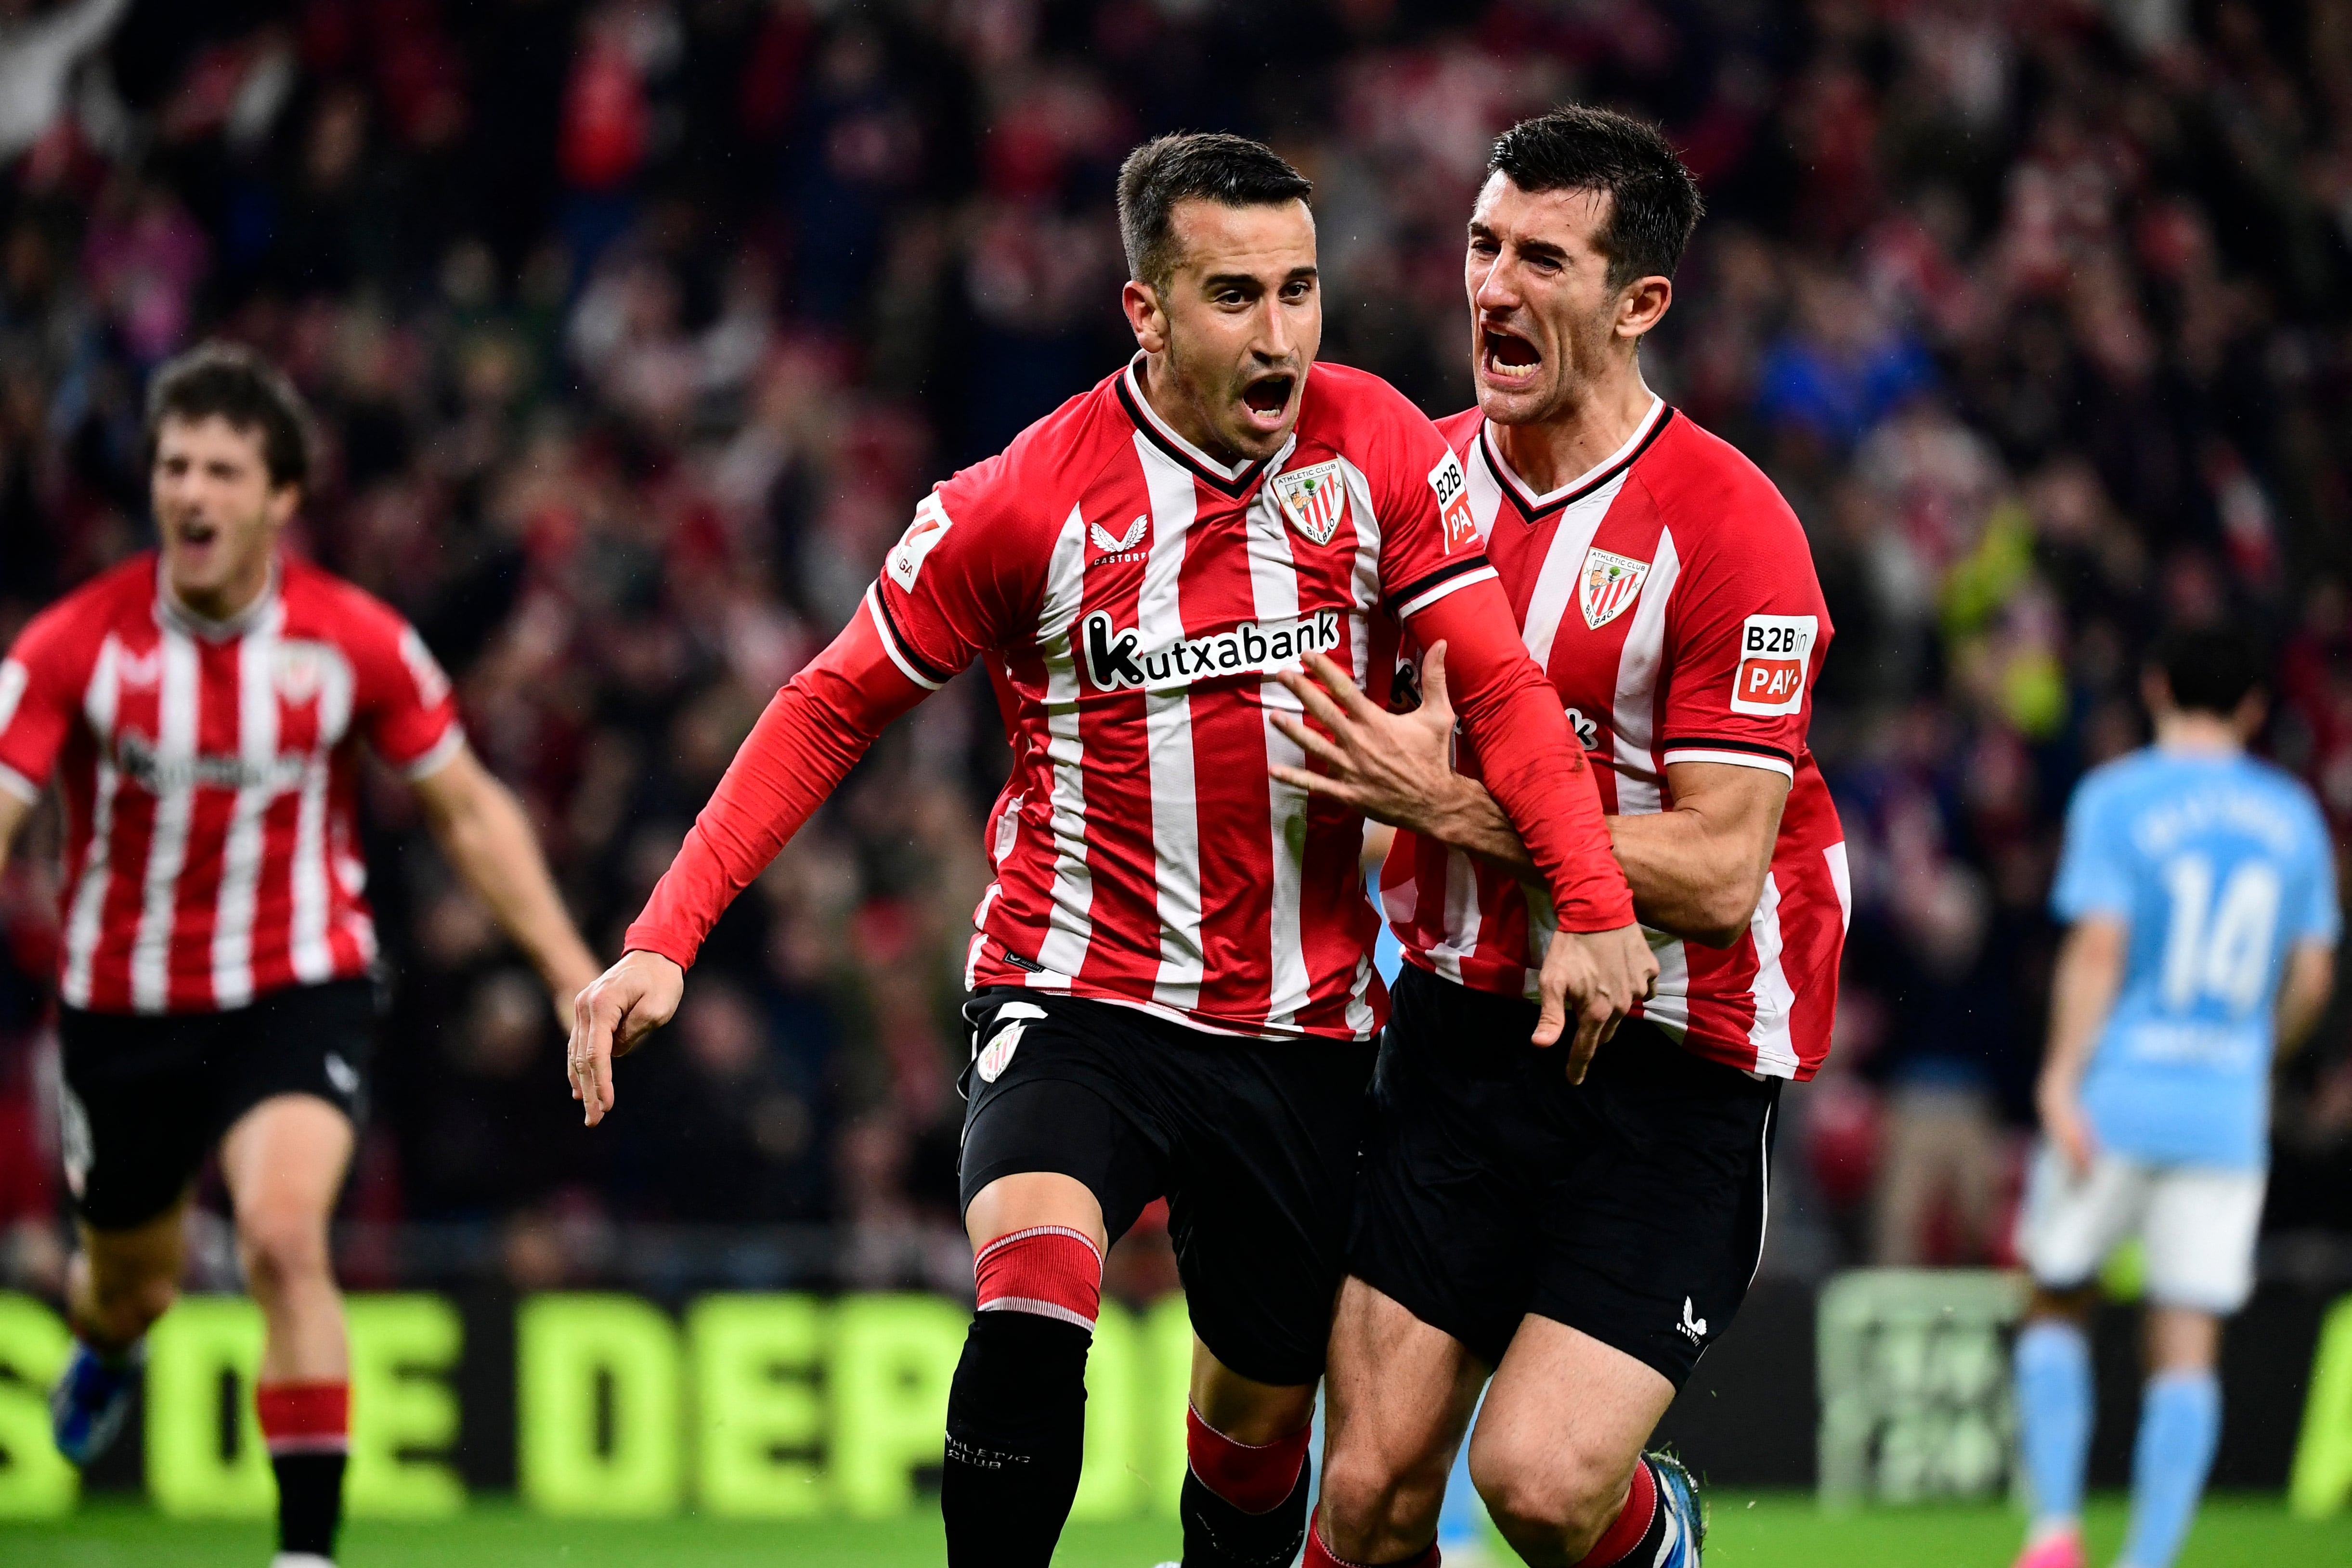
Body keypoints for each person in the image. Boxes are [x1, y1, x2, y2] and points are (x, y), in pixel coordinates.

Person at [564, 132, 1653, 1568]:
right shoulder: (1018, 503)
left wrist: (1586, 897)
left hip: (1299, 1026)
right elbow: (829, 707)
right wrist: (663, 934)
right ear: (1144, 312)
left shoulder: (1376, 440)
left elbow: (1501, 688)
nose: (1279, 336)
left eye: (1299, 291)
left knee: (1259, 1422)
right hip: (1074, 992)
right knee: (1032, 1290)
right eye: (1233, 297)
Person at [1269, 107, 1849, 1568]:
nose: (1491, 287)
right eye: (1480, 246)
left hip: (1671, 1056)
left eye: (1541, 258)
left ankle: (1660, 1536)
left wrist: (1453, 805)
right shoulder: (1416, 487)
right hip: (1462, 1032)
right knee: (1374, 1493)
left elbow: (1720, 870)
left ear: (1639, 301)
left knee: (1533, 1483)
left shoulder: (1731, 530)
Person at [0, 344, 601, 1568]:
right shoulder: (75, 646)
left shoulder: (353, 641)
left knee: (284, 1236)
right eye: (175, 466)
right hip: (124, 1006)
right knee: (129, 1285)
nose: (192, 493)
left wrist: (566, 969)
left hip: (296, 985)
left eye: (223, 469)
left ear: (280, 497)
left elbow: (470, 810)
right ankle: (110, 1344)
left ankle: (306, 1556)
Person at [2009, 626, 2336, 1568]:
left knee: (2057, 1299)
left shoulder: (2116, 798)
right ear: (2252, 709)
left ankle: (2054, 1533)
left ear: (2154, 686)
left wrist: (2061, 1077)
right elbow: (2311, 977)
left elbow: (2100, 948)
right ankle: (2148, 1559)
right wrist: (2255, 1060)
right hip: (2222, 1114)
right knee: (2186, 1339)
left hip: (2114, 1096)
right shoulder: (2295, 818)